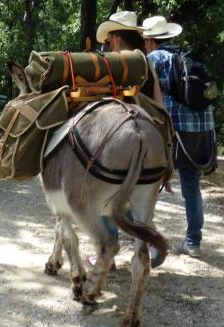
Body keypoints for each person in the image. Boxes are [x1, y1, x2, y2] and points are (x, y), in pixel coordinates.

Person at [89, 11, 166, 270]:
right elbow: (159, 104)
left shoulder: (114, 61)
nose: (109, 42)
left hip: (120, 133)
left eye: (110, 38)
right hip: (150, 134)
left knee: (106, 197)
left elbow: (104, 100)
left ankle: (106, 255)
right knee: (136, 193)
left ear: (117, 38)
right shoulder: (147, 62)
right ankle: (150, 239)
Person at [143, 16, 216, 258]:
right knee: (191, 184)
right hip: (203, 127)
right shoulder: (186, 55)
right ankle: (193, 242)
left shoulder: (153, 59)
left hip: (175, 130)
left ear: (151, 40)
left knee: (149, 181)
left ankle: (148, 242)